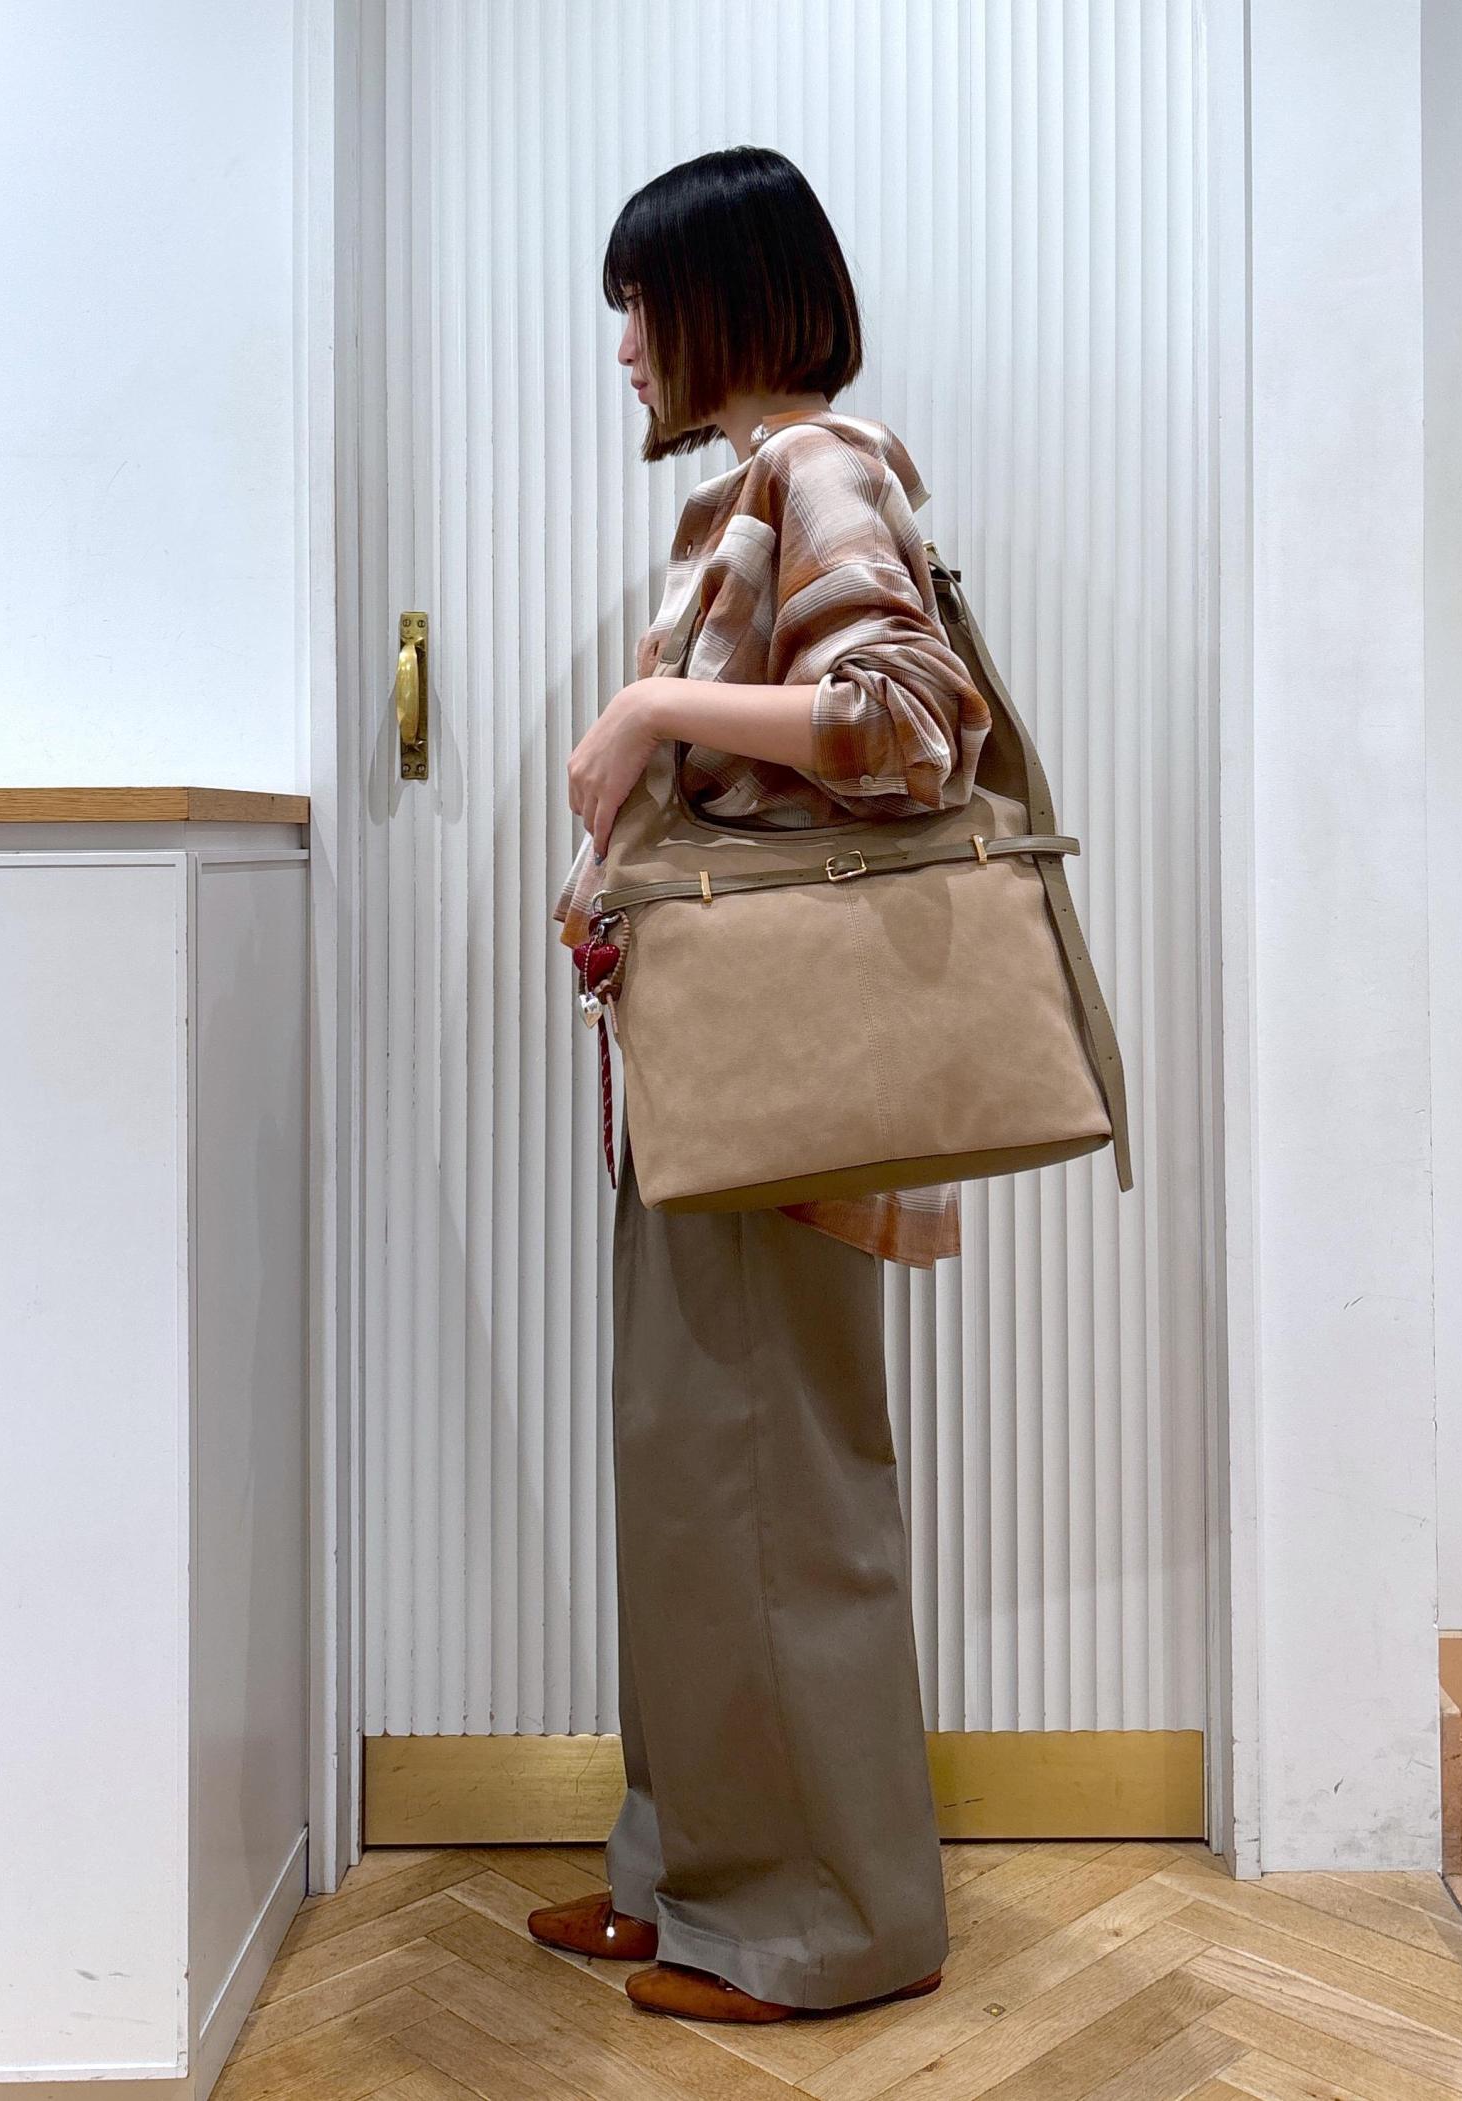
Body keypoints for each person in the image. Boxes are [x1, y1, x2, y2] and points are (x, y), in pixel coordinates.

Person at [529, 146, 992, 2023]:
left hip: (778, 1095)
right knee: (694, 1488)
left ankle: (828, 1928)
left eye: (640, 304)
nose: (624, 346)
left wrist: (649, 708)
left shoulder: (823, 468)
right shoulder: (744, 492)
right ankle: (697, 1880)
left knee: (774, 1496)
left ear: (724, 299)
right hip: (709, 1085)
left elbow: (911, 719)